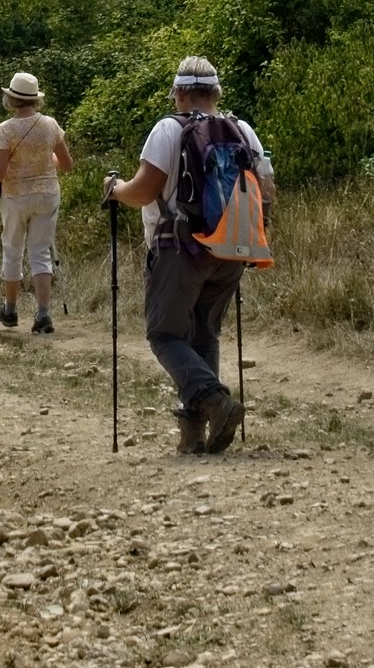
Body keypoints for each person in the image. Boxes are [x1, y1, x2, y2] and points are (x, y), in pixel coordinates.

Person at [102, 57, 275, 456]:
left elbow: (144, 192)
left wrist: (114, 188)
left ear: (179, 93)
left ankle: (215, 402)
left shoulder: (168, 129)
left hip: (179, 247)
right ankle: (196, 435)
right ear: (216, 93)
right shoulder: (244, 131)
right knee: (204, 334)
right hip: (232, 247)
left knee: (164, 334)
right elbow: (265, 191)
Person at [0, 70, 71, 334]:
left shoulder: (6, 129)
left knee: (13, 250)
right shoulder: (51, 125)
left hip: (16, 196)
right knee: (40, 252)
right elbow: (66, 164)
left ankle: (10, 309)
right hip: (47, 194)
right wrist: (47, 164)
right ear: (35, 99)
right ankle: (43, 315)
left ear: (11, 99)